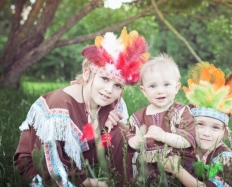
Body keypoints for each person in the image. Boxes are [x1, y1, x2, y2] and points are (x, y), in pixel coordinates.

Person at [14, 27, 150, 187]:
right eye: (104, 79)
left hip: (80, 156)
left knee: (120, 130)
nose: (109, 90)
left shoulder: (109, 99)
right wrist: (85, 181)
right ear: (87, 74)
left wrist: (107, 128)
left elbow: (113, 135)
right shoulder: (60, 105)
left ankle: (130, 178)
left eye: (117, 86)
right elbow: (48, 154)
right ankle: (75, 179)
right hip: (43, 161)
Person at [164, 61, 232, 187]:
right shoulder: (183, 143)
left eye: (215, 127)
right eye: (200, 124)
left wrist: (177, 170)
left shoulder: (224, 157)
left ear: (224, 133)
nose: (206, 133)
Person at [127, 54, 196, 186]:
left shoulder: (181, 112)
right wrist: (133, 141)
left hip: (179, 168)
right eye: (153, 86)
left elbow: (187, 141)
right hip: (148, 171)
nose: (160, 91)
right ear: (143, 90)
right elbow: (130, 135)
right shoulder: (137, 117)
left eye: (166, 85)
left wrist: (163, 136)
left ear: (176, 88)